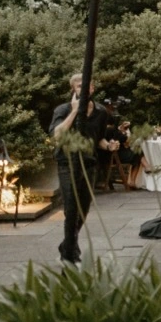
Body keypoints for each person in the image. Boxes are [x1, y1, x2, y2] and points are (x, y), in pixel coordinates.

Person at [49, 73, 108, 264]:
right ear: (73, 90)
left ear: (92, 88)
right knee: (71, 209)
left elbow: (98, 139)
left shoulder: (101, 112)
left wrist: (109, 145)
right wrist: (74, 112)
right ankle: (70, 254)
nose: (83, 90)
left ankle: (67, 245)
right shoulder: (63, 109)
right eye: (78, 86)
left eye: (86, 86)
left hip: (89, 164)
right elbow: (57, 136)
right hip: (68, 164)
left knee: (83, 210)